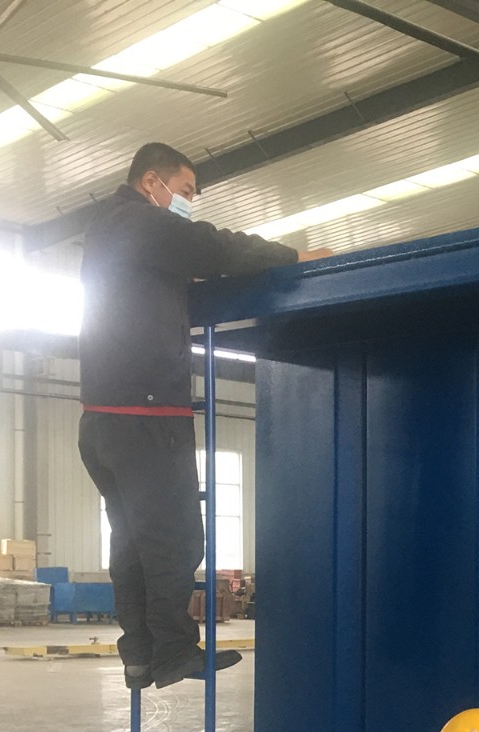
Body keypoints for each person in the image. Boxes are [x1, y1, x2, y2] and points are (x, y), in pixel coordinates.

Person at [78, 142, 332, 689]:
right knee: (174, 539)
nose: (188, 203)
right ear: (152, 182)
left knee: (131, 543)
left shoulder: (108, 233)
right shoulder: (139, 222)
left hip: (103, 420)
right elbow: (211, 246)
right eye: (185, 191)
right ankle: (173, 652)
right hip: (147, 414)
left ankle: (139, 654)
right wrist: (292, 258)